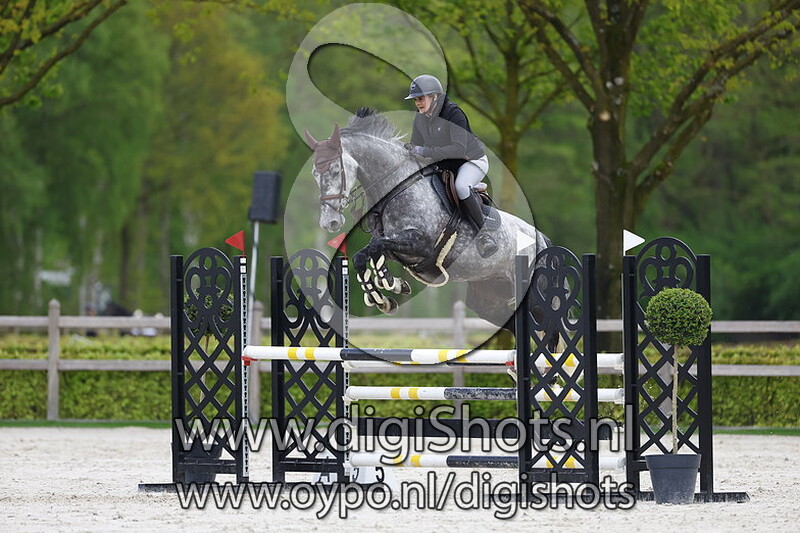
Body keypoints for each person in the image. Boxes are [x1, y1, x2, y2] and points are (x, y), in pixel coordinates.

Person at [405, 74, 497, 257]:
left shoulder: (453, 113)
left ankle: (485, 236)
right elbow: (415, 145)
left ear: (434, 97)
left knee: (461, 186)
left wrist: (424, 151)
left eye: (421, 99)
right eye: (416, 100)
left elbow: (458, 149)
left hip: (471, 161)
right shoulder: (420, 117)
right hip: (445, 164)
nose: (418, 103)